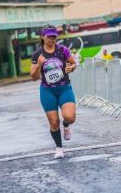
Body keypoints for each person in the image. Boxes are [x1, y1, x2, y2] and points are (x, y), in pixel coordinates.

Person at [30, 25, 77, 159]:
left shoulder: (62, 50)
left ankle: (66, 125)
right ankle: (59, 148)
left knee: (69, 117)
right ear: (43, 37)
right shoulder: (37, 54)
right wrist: (39, 65)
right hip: (47, 91)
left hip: (64, 88)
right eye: (49, 36)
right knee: (54, 122)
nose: (51, 39)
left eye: (54, 36)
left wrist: (71, 68)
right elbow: (33, 77)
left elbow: (73, 63)